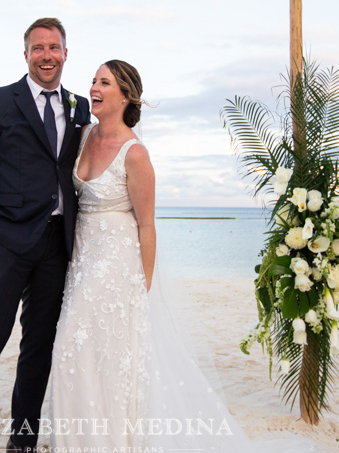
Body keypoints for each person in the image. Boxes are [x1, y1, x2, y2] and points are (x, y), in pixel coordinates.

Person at [49, 60, 315, 452]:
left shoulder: (135, 153)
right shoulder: (83, 135)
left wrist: (143, 285)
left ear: (125, 95)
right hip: (82, 258)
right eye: (93, 81)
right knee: (74, 349)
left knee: (100, 351)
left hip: (118, 265)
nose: (93, 88)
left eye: (103, 82)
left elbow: (146, 225)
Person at [0, 18, 91, 453]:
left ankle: (22, 442)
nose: (46, 55)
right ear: (26, 54)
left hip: (56, 245)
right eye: (38, 48)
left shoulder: (79, 105)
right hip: (7, 242)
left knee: (38, 349)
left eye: (54, 47)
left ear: (66, 53)